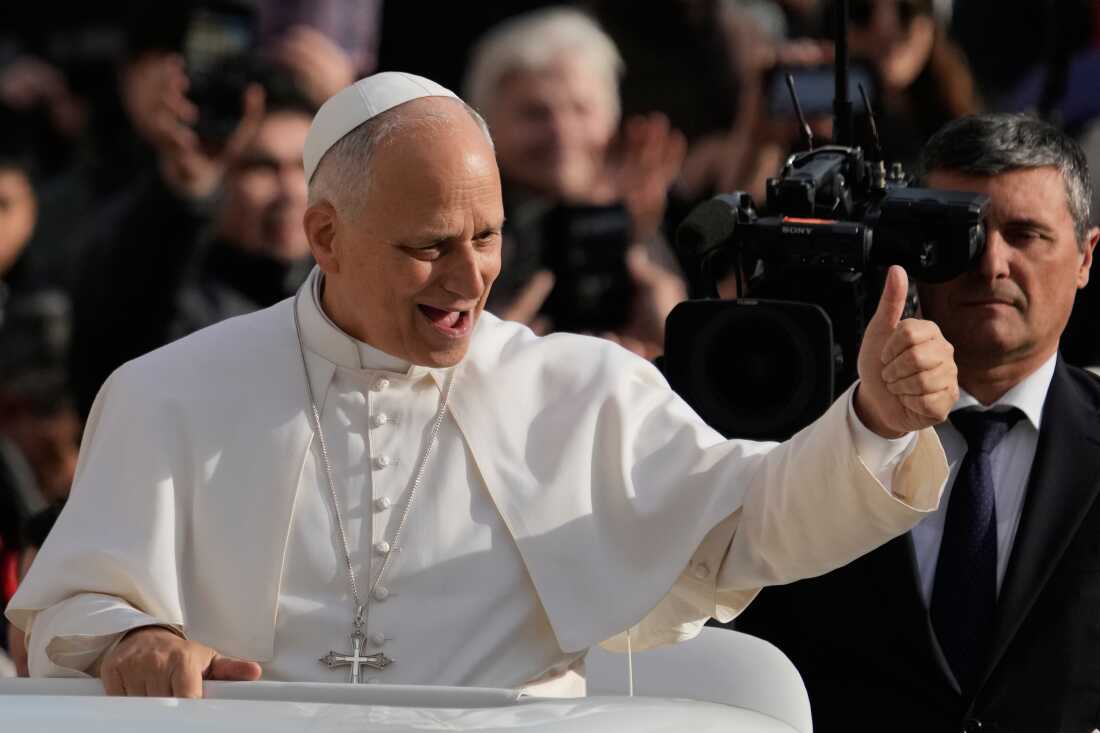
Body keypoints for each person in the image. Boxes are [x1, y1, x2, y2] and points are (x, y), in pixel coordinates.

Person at [7, 72, 956, 699]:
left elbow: (753, 523)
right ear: (326, 235)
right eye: (427, 247)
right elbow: (68, 611)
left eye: (488, 236)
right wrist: (135, 641)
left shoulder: (576, 389)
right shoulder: (170, 393)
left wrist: (869, 418)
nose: (469, 281)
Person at [736, 113, 1100, 732]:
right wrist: (868, 426)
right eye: (960, 232)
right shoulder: (817, 431)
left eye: (1026, 234)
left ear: (1087, 256)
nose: (991, 263)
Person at [68, 64, 316, 419]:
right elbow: (111, 350)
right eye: (261, 167)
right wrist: (182, 193)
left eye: (306, 167)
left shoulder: (347, 293)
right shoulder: (165, 286)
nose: (291, 191)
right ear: (218, 172)